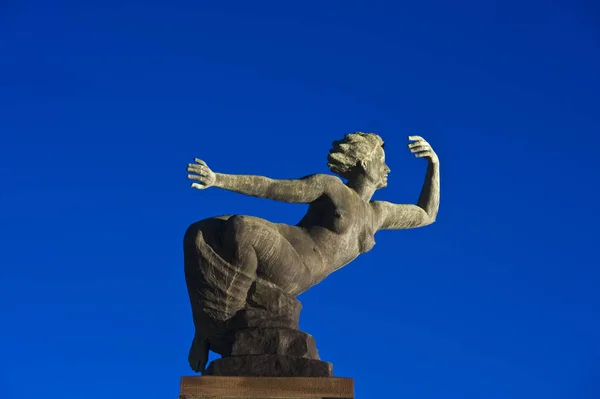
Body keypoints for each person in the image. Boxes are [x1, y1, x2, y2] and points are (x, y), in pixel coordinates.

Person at [184, 132, 440, 372]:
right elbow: (272, 188)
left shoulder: (377, 214)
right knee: (204, 231)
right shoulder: (332, 188)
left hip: (300, 271)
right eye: (382, 162)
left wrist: (434, 164)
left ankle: (224, 325)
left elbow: (426, 215)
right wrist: (218, 179)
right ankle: (207, 328)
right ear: (364, 162)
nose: (387, 169)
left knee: (242, 227)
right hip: (286, 251)